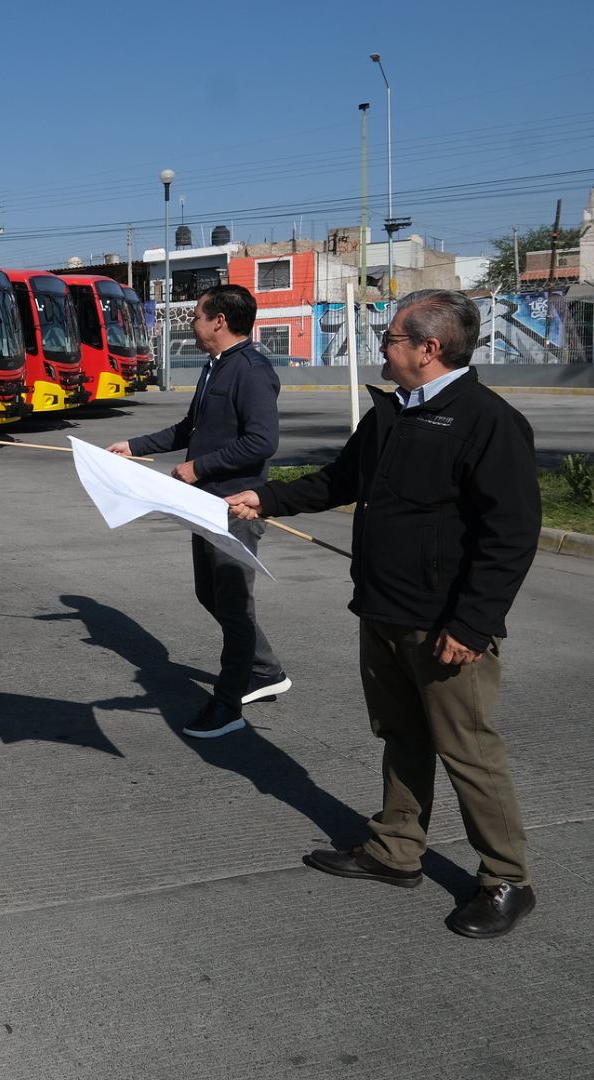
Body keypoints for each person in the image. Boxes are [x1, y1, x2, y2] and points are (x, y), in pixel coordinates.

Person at [226, 289, 540, 938]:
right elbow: (342, 480)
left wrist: (473, 624)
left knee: (469, 751)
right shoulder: (393, 412)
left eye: (392, 337)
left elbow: (510, 535)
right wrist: (267, 498)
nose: (382, 346)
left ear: (429, 348)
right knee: (401, 735)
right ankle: (395, 850)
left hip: (445, 623)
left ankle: (506, 878)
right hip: (384, 609)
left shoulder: (487, 421)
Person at [105, 283, 287, 739]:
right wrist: (133, 445)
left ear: (219, 321)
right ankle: (266, 670)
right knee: (211, 595)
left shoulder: (251, 370)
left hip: (235, 508)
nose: (192, 321)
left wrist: (198, 467)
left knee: (234, 606)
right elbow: (190, 428)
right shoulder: (216, 366)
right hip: (204, 504)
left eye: (198, 314)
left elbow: (262, 441)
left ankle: (228, 704)